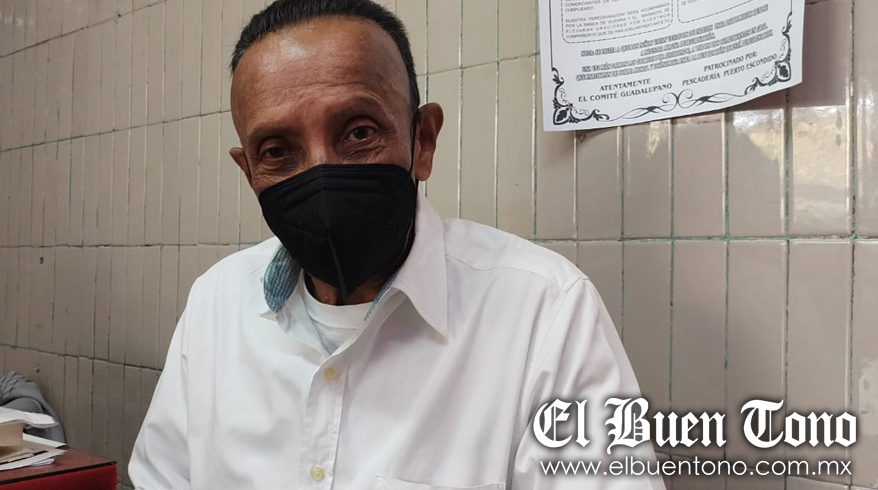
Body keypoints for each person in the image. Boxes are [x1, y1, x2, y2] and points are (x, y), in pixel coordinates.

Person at [129, 1, 662, 489]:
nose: (321, 174)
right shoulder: (215, 304)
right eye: (276, 150)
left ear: (422, 141)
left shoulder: (545, 314)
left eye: (359, 133)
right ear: (249, 172)